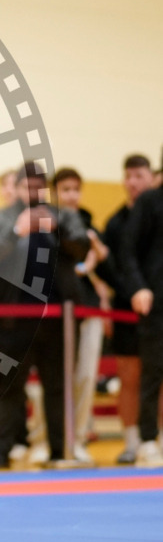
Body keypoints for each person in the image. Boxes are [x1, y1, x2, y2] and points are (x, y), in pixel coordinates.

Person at [0, 163, 90, 469]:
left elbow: (81, 248)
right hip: (13, 319)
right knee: (7, 387)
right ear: (14, 187)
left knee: (58, 385)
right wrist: (17, 231)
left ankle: (58, 452)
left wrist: (57, 228)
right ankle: (1, 452)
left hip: (58, 320)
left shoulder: (63, 215)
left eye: (37, 186)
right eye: (26, 186)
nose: (32, 192)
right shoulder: (1, 218)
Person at [51, 167, 110, 463]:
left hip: (87, 310)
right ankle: (53, 438)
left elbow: (105, 269)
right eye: (65, 190)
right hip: (58, 313)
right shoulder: (51, 224)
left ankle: (80, 435)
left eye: (76, 189)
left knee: (87, 375)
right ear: (55, 194)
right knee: (58, 380)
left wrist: (99, 254)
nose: (71, 195)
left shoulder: (89, 224)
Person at [101, 154, 156, 463]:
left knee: (157, 376)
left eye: (139, 176)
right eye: (129, 176)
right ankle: (132, 441)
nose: (133, 182)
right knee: (129, 375)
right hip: (125, 309)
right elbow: (107, 268)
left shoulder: (157, 212)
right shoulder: (115, 221)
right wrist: (108, 298)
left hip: (157, 309)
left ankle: (156, 436)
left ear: (151, 177)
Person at [121, 168, 163, 466]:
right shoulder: (150, 201)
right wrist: (139, 287)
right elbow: (128, 250)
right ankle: (148, 439)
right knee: (151, 372)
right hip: (155, 302)